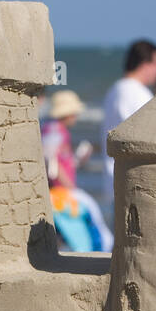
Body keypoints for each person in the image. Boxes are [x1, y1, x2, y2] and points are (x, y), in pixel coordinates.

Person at [42, 90, 112, 251]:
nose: (76, 116)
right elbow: (53, 163)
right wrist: (69, 186)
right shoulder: (56, 132)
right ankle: (100, 251)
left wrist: (76, 161)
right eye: (74, 113)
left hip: (58, 189)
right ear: (67, 114)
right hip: (61, 191)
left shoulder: (51, 129)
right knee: (92, 211)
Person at [101, 39, 156, 198]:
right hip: (131, 182)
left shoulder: (114, 90)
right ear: (145, 63)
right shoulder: (139, 94)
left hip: (113, 179)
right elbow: (147, 139)